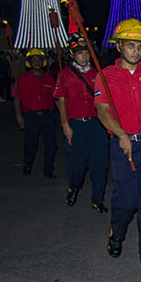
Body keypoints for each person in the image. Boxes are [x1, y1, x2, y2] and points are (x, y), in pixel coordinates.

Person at [94, 19, 141, 269]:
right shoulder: (105, 77)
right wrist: (121, 134)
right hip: (122, 145)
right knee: (127, 199)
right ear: (119, 47)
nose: (135, 51)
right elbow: (103, 112)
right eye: (130, 45)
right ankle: (117, 231)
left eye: (139, 47)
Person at [54, 33, 109, 212]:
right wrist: (65, 125)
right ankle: (74, 187)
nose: (84, 56)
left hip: (97, 124)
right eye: (80, 53)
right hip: (76, 124)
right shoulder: (65, 74)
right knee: (76, 165)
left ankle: (97, 199)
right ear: (72, 55)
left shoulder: (98, 73)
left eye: (86, 53)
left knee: (99, 164)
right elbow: (61, 100)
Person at [12, 49, 58, 178]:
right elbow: (16, 98)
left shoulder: (49, 78)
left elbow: (56, 98)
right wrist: (19, 116)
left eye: (39, 60)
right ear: (29, 63)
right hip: (30, 116)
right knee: (30, 143)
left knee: (51, 144)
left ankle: (48, 170)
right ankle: (27, 163)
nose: (37, 62)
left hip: (47, 115)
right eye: (34, 60)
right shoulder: (22, 79)